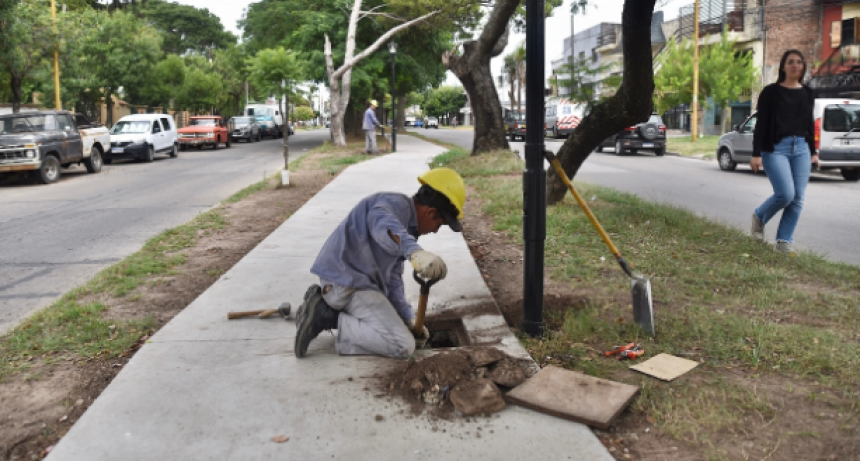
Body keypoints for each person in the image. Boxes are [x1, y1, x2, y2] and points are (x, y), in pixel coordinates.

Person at [294, 168, 466, 359]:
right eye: (440, 224)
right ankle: (326, 315)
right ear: (430, 212)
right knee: (403, 345)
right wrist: (414, 251)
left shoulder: (406, 222)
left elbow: (393, 278)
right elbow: (383, 225)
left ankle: (324, 307)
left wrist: (407, 317)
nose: (435, 231)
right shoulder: (393, 207)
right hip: (347, 284)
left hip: (353, 283)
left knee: (399, 329)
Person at [750, 49, 818, 254]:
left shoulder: (807, 93)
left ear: (803, 67)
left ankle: (783, 242)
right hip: (776, 148)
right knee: (786, 194)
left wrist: (813, 152)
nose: (795, 65)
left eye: (799, 62)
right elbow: (761, 124)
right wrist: (756, 153)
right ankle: (760, 217)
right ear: (783, 66)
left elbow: (809, 124)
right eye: (791, 62)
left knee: (797, 198)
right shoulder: (771, 92)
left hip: (802, 149)